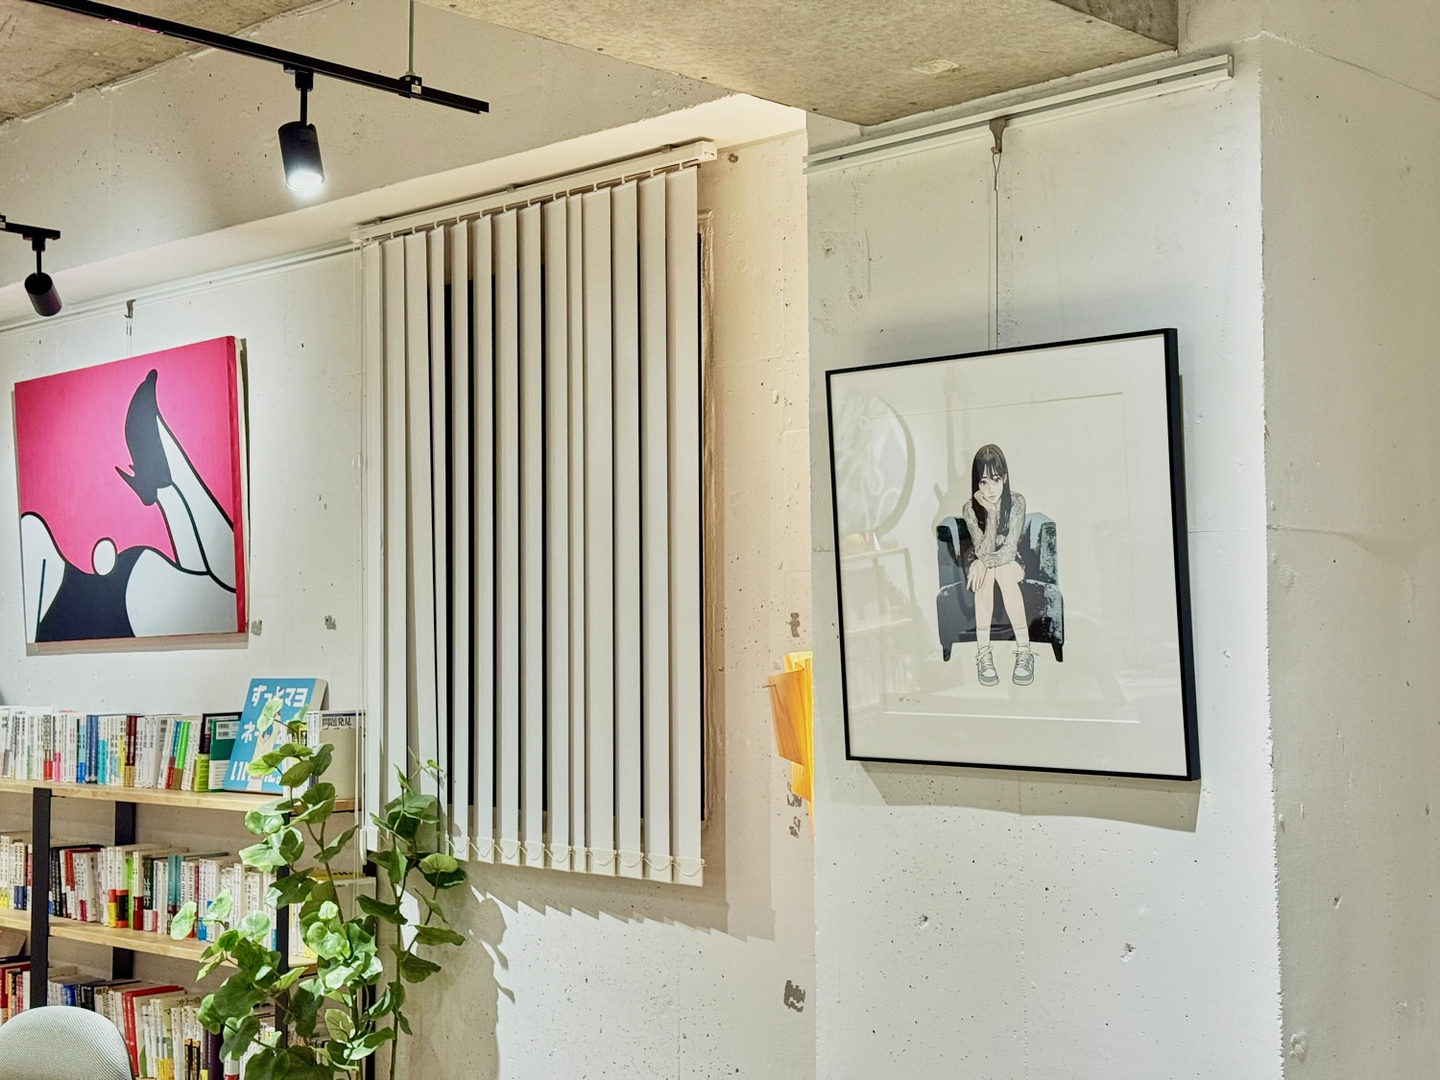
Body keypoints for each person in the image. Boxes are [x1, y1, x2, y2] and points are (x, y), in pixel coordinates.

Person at [959, 444, 1034, 686]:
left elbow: (1010, 550)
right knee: (988, 574)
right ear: (976, 484)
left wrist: (982, 563)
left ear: (1005, 478)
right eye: (983, 482)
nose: (990, 489)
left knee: (998, 569)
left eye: (995, 480)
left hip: (1014, 564)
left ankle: (1024, 651)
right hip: (988, 564)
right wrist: (990, 515)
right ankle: (985, 655)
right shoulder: (970, 509)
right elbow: (982, 549)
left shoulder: (1017, 502)